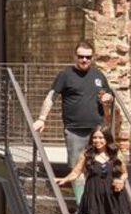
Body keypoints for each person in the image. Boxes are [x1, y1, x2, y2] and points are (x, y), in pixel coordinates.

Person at [31, 45, 113, 201]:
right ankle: (82, 204)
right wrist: (42, 118)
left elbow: (108, 96)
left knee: (99, 167)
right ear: (75, 56)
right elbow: (51, 97)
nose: (84, 60)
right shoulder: (65, 75)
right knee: (77, 169)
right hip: (74, 130)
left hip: (97, 131)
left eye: (88, 57)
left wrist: (108, 99)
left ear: (93, 58)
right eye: (81, 56)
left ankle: (98, 202)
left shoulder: (99, 75)